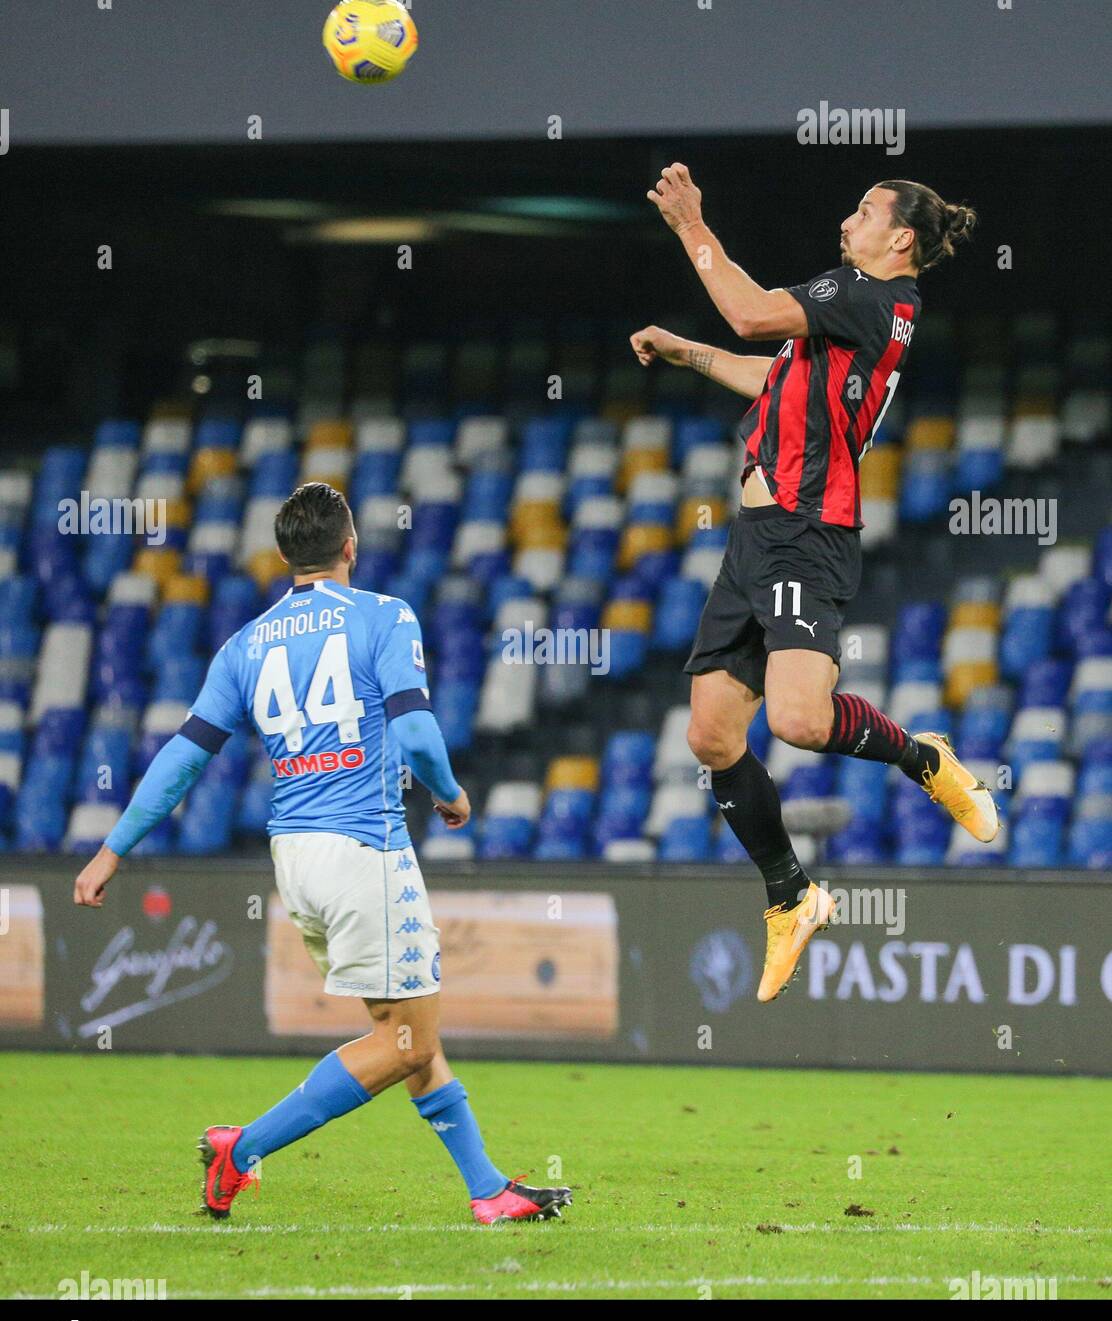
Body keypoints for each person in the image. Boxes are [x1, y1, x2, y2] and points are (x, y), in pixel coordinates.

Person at [74, 481, 572, 1225]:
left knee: (404, 1031)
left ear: (282, 557)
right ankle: (242, 1149)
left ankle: (487, 1188)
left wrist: (112, 848)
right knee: (407, 1040)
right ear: (351, 547)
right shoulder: (382, 616)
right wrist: (450, 794)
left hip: (295, 858)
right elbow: (416, 733)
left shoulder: (244, 644)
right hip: (364, 852)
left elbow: (184, 757)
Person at [631, 169, 994, 1002]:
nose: (847, 218)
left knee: (798, 719)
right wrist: (688, 353)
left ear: (900, 237)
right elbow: (776, 375)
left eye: (864, 210)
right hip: (755, 540)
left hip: (805, 529)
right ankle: (791, 896)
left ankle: (922, 756)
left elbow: (753, 311)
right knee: (713, 739)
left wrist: (693, 223)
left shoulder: (866, 293)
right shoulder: (857, 315)